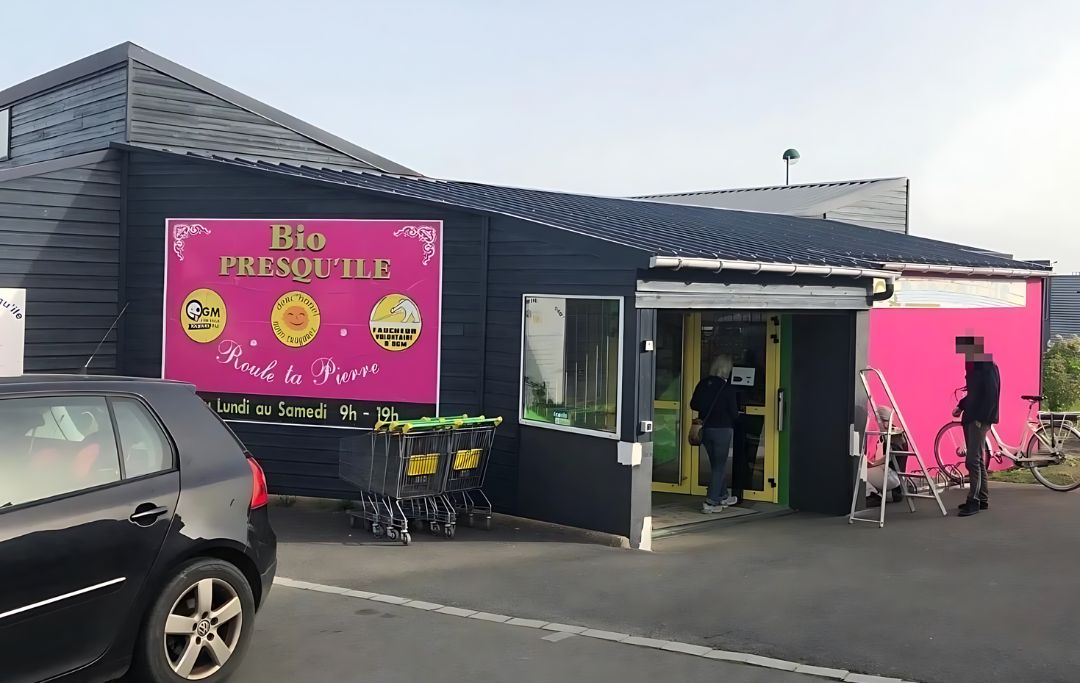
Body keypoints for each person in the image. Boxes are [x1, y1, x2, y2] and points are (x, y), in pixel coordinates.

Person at [953, 335, 1000, 517]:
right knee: (977, 460)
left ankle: (973, 501)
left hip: (979, 418)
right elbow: (974, 392)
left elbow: (990, 394)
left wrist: (982, 418)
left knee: (972, 460)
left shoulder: (986, 366)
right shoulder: (975, 366)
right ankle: (982, 498)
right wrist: (961, 406)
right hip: (972, 416)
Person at [690, 354, 740, 513]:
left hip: (705, 429)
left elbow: (693, 404)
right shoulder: (727, 388)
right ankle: (711, 502)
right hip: (722, 430)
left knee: (716, 464)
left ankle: (723, 495)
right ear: (727, 369)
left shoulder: (703, 383)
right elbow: (734, 413)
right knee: (719, 466)